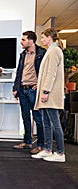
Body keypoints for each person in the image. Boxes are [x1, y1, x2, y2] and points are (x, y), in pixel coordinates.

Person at [31, 28, 66, 162]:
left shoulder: (55, 51)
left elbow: (51, 74)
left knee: (54, 123)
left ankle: (60, 153)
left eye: (43, 37)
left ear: (49, 37)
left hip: (50, 93)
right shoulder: (50, 51)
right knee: (46, 122)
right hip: (46, 93)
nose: (41, 40)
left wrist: (45, 91)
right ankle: (47, 149)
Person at [12, 31, 46, 154]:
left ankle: (41, 145)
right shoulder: (23, 54)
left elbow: (46, 71)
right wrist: (15, 88)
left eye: (23, 40)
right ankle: (27, 142)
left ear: (31, 41)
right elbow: (19, 72)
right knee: (25, 117)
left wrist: (40, 84)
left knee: (38, 118)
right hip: (23, 90)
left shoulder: (41, 53)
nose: (21, 42)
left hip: (33, 90)